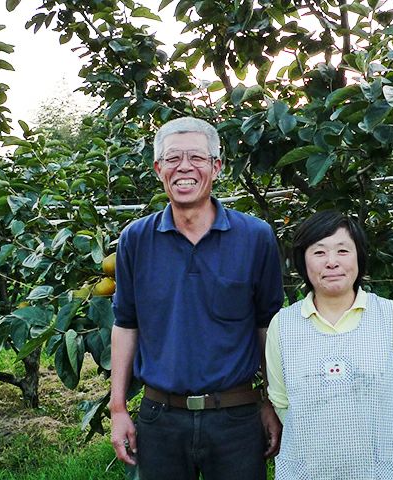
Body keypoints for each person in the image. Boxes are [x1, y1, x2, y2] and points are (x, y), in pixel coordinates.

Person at [109, 117, 284, 480]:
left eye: (197, 158)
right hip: (161, 417)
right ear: (158, 169)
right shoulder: (135, 240)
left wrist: (271, 401)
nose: (184, 167)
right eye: (172, 158)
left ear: (216, 167)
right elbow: (126, 325)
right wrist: (118, 408)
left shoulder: (255, 237)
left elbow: (267, 326)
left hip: (236, 416)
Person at [265, 210, 393, 480]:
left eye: (343, 251)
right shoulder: (284, 325)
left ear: (359, 257)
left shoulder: (391, 317)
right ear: (302, 261)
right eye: (319, 252)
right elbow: (281, 400)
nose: (332, 262)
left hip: (380, 473)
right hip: (308, 471)